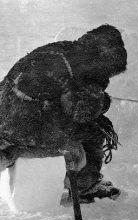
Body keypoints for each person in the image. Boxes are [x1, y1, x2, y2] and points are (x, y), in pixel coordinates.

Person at [0, 24, 127, 202]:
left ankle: (8, 151)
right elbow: (83, 112)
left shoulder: (57, 50)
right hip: (31, 130)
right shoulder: (89, 68)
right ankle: (85, 186)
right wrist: (103, 101)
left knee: (35, 123)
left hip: (4, 123)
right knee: (95, 130)